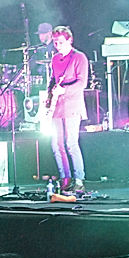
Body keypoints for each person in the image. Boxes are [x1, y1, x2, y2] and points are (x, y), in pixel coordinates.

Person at [45, 25, 88, 193]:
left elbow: (81, 83)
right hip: (57, 106)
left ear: (70, 40)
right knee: (56, 144)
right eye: (55, 42)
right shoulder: (55, 59)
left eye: (61, 42)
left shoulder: (79, 58)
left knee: (71, 143)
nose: (58, 45)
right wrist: (49, 97)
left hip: (72, 106)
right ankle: (65, 178)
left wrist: (64, 90)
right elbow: (52, 80)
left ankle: (79, 179)